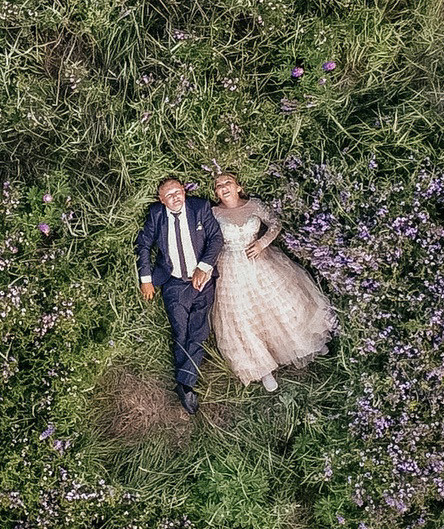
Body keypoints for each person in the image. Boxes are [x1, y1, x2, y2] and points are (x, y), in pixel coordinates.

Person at [207, 172, 334, 392]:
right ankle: (262, 369)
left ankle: (308, 343)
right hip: (231, 266)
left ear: (238, 186)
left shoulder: (254, 205)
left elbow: (275, 223)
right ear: (216, 192)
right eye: (218, 186)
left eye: (228, 182)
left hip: (260, 259)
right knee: (243, 316)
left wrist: (262, 243)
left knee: (283, 302)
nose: (224, 187)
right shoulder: (213, 213)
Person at [135, 176, 225, 415]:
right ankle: (186, 379)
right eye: (169, 194)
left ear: (184, 192)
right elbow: (143, 245)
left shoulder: (200, 207)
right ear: (161, 200)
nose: (175, 197)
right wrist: (146, 279)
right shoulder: (156, 214)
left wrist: (204, 267)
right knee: (180, 330)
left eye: (178, 191)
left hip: (203, 280)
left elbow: (216, 238)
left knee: (199, 329)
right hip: (174, 281)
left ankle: (185, 385)